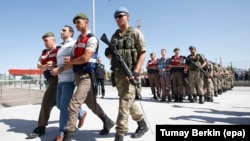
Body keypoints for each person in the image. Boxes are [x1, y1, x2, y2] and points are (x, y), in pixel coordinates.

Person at [60, 13, 114, 141]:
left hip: (87, 77)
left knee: (74, 105)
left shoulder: (91, 39)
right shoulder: (78, 40)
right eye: (75, 23)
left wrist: (71, 61)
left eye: (78, 22)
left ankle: (68, 135)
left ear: (86, 22)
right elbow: (72, 60)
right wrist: (61, 69)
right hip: (78, 76)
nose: (76, 25)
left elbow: (85, 58)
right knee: (91, 103)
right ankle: (107, 121)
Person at [105, 7, 149, 141]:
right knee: (128, 102)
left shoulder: (136, 33)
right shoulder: (114, 36)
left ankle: (120, 134)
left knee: (124, 102)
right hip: (118, 75)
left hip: (131, 73)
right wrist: (108, 54)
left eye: (120, 16)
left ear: (127, 17)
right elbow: (110, 57)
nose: (118, 19)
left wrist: (135, 72)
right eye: (116, 17)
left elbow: (142, 53)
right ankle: (142, 124)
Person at [50, 25, 87, 141]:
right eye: (61, 30)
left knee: (64, 107)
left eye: (64, 30)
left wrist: (60, 69)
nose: (61, 31)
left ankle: (62, 132)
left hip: (69, 79)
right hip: (60, 79)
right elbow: (61, 62)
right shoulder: (61, 47)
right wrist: (55, 68)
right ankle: (81, 113)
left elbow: (74, 61)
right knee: (59, 105)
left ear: (71, 33)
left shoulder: (73, 44)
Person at [27, 32, 59, 138]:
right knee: (62, 104)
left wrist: (54, 65)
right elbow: (39, 65)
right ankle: (81, 113)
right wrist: (46, 66)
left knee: (46, 101)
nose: (44, 43)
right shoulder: (44, 53)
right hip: (49, 80)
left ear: (53, 40)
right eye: (43, 41)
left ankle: (41, 127)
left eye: (46, 41)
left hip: (57, 79)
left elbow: (64, 63)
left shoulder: (59, 50)